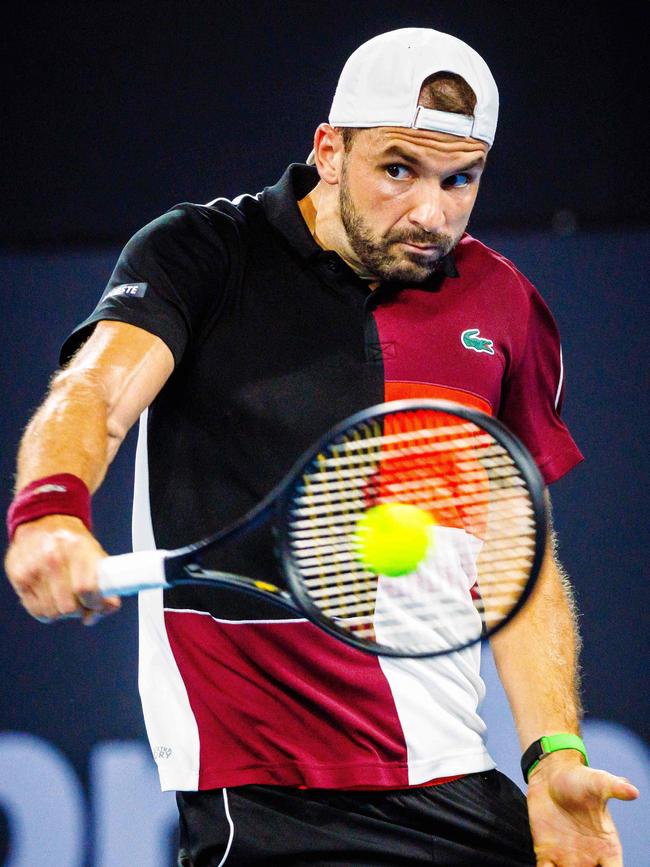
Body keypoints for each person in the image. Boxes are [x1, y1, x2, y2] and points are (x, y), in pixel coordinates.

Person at [4, 27, 638, 867]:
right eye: (399, 169)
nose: (431, 212)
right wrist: (50, 509)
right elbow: (94, 393)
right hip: (268, 806)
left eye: (462, 180)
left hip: (455, 783)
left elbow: (516, 553)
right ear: (329, 150)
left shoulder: (504, 306)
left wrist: (553, 752)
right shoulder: (203, 253)